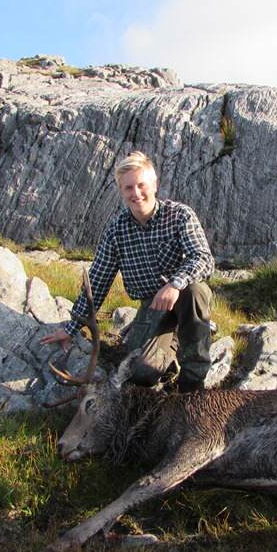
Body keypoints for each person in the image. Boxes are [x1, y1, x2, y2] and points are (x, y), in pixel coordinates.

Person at [40, 151, 215, 392]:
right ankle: (172, 349)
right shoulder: (116, 230)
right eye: (128, 188)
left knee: (196, 291)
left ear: (154, 185)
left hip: (183, 297)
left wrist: (175, 284)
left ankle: (192, 384)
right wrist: (71, 328)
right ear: (121, 191)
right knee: (141, 373)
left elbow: (204, 258)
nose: (136, 193)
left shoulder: (180, 215)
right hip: (151, 309)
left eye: (142, 185)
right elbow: (97, 282)